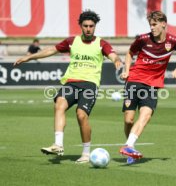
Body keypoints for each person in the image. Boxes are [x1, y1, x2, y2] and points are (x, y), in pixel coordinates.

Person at [14, 10, 122, 163]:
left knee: (81, 115)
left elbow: (113, 55)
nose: (88, 29)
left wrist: (116, 60)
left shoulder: (101, 43)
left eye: (91, 26)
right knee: (59, 105)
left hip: (90, 85)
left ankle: (86, 153)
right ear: (80, 26)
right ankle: (58, 144)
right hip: (71, 82)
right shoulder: (72, 41)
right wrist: (29, 57)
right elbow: (51, 50)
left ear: (95, 26)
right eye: (85, 26)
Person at [119, 10, 176, 164]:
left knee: (146, 116)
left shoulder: (174, 41)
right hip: (135, 80)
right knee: (129, 120)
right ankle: (129, 146)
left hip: (152, 84)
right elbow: (130, 53)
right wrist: (126, 70)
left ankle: (129, 146)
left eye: (155, 24)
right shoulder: (143, 39)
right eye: (150, 24)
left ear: (164, 24)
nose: (152, 27)